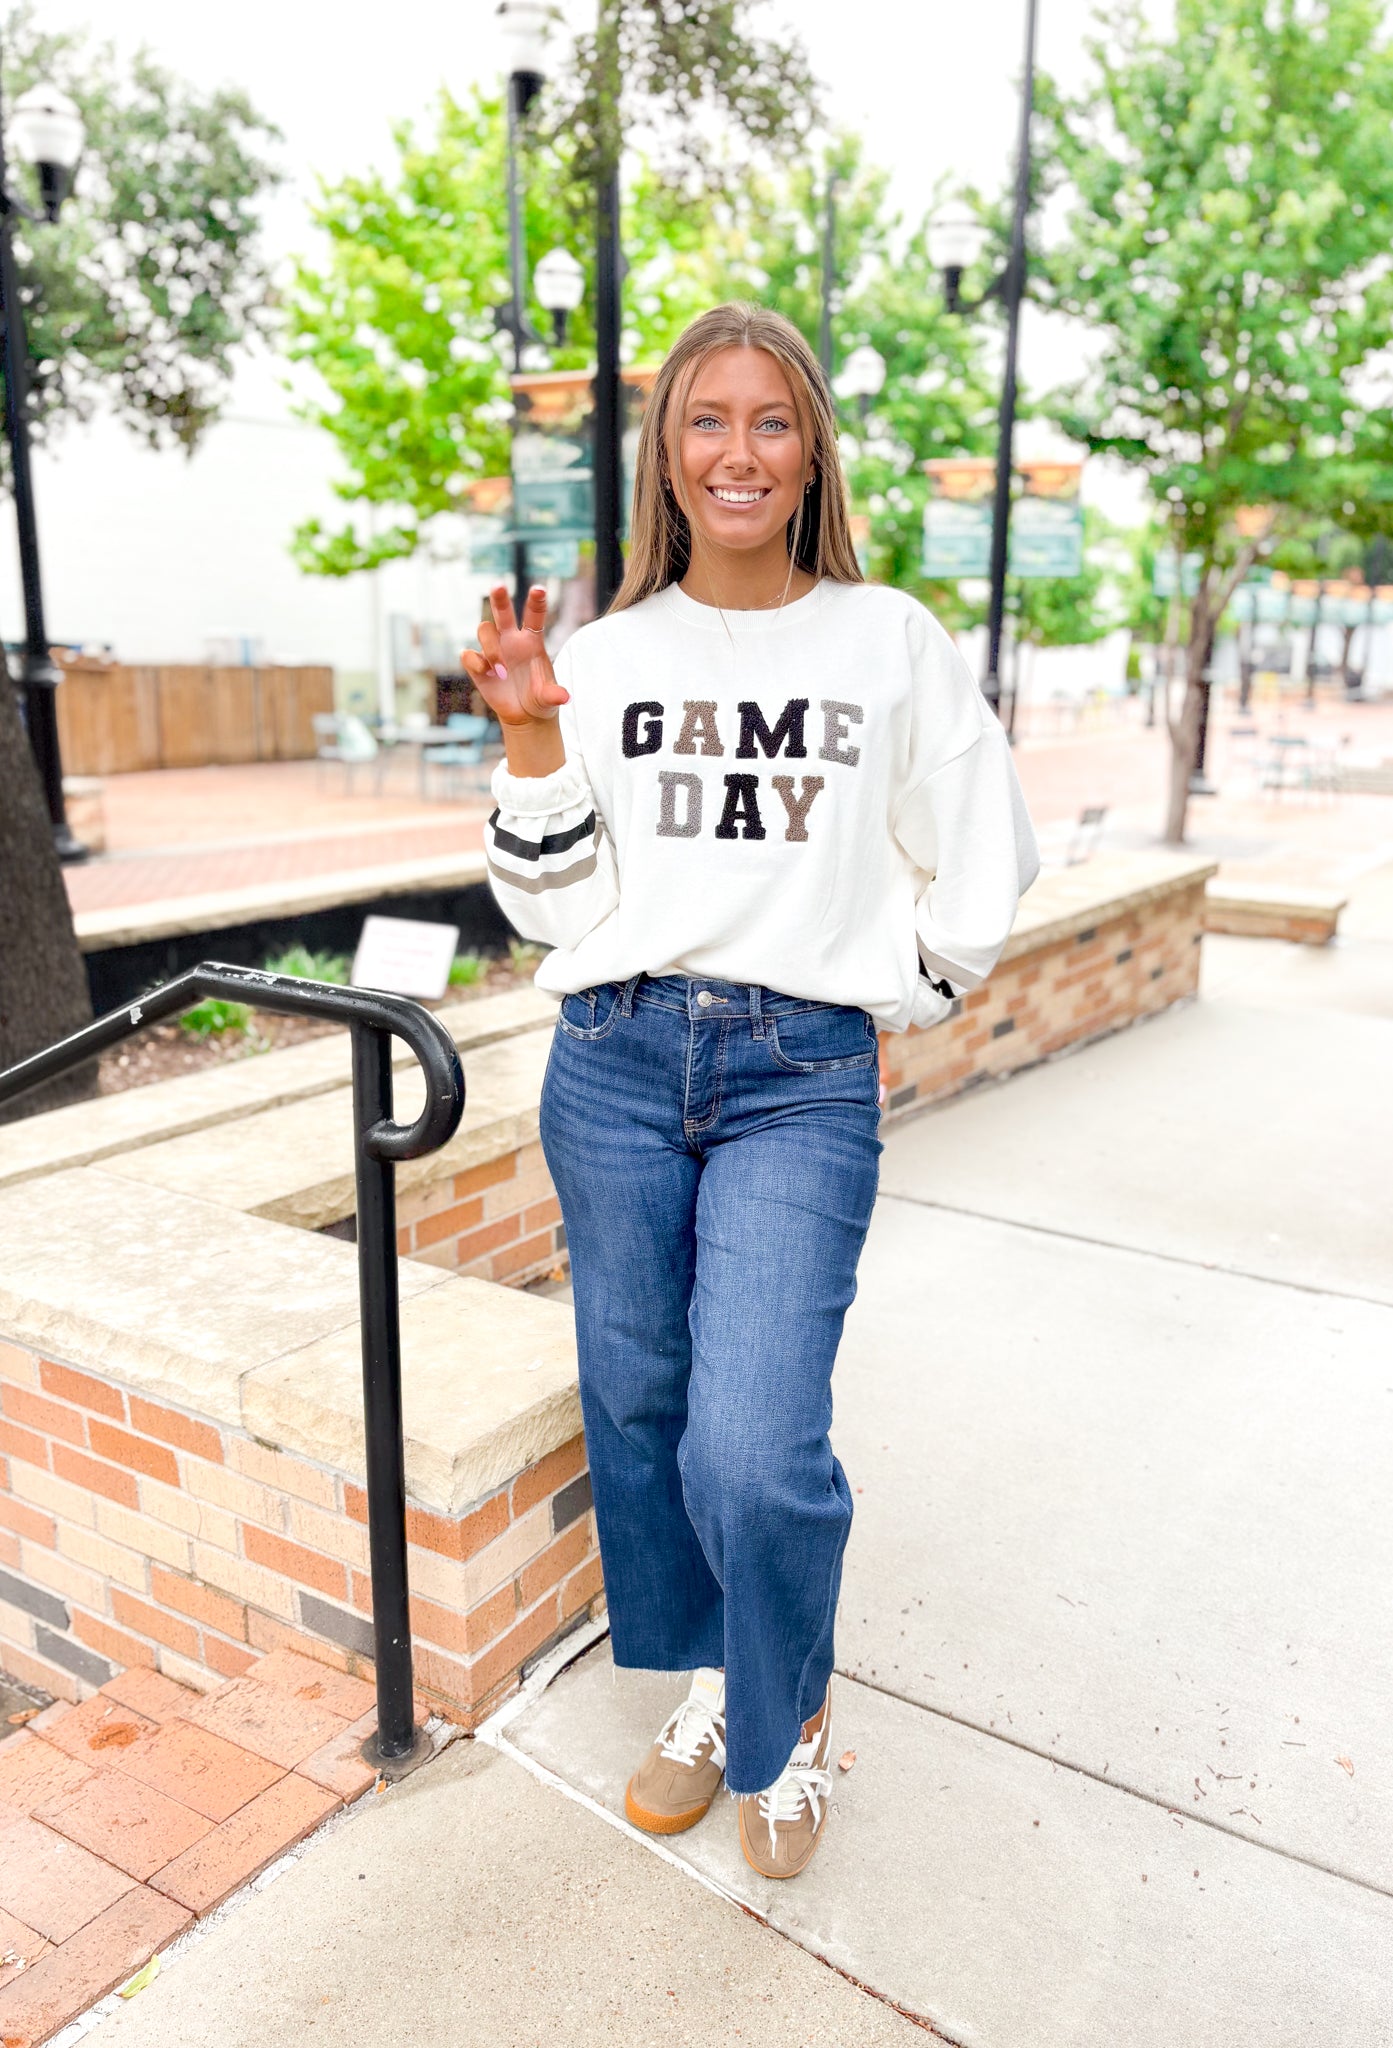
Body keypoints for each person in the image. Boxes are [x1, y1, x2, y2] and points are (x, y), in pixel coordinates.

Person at [462, 302, 1038, 1879]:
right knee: (641, 1412)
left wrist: (904, 983)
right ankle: (716, 1681)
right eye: (705, 420)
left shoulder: (886, 640)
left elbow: (981, 846)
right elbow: (552, 909)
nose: (736, 449)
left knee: (755, 1442)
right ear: (667, 456)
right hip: (616, 1065)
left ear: (809, 453)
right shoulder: (604, 655)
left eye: (768, 420)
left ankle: (786, 1724)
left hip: (798, 1076)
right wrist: (529, 735)